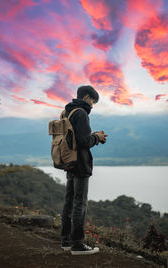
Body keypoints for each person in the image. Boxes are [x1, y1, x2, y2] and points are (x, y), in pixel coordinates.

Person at [61, 85, 108, 255]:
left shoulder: (68, 112)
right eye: (93, 101)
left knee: (69, 202)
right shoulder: (81, 113)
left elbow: (76, 137)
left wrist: (92, 136)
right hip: (80, 164)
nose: (93, 106)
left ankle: (65, 241)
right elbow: (83, 141)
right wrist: (97, 137)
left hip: (70, 162)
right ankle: (78, 245)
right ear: (87, 97)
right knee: (80, 204)